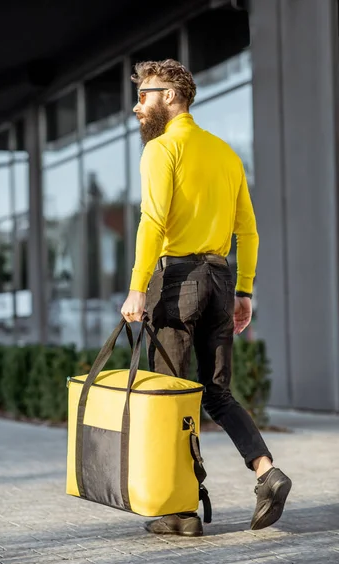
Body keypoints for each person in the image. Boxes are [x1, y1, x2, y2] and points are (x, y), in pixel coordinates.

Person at [120, 59, 292, 537]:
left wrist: (137, 288)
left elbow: (152, 222)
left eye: (145, 94)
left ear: (172, 94)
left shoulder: (161, 149)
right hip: (220, 279)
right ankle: (266, 472)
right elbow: (249, 231)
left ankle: (180, 512)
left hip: (176, 279)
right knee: (216, 392)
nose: (137, 106)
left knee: (171, 397)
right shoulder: (225, 153)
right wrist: (243, 291)